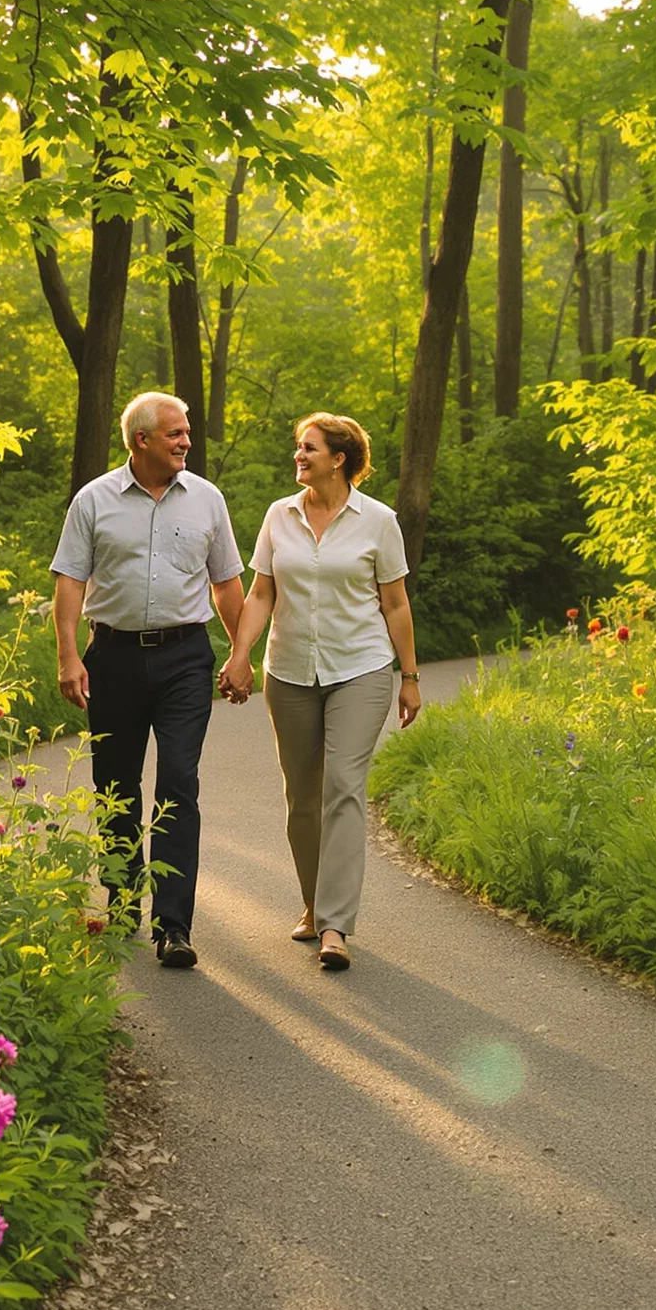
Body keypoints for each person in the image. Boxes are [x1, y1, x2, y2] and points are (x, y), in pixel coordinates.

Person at [219, 411, 421, 972]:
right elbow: (261, 594)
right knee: (301, 799)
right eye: (297, 448)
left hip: (362, 667)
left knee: (343, 787)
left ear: (339, 458)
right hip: (288, 671)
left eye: (308, 448)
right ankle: (313, 905)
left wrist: (409, 677)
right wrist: (240, 656)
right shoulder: (278, 515)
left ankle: (335, 924)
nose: (298, 457)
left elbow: (396, 603)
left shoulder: (379, 521)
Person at [52, 391, 245, 968]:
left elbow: (228, 583)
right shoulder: (94, 501)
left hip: (186, 657)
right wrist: (68, 657)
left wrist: (241, 655)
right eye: (175, 434)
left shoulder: (208, 500)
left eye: (186, 432)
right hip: (112, 656)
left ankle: (174, 925)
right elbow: (69, 584)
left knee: (179, 783)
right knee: (117, 785)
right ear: (141, 441)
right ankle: (121, 902)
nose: (187, 441)